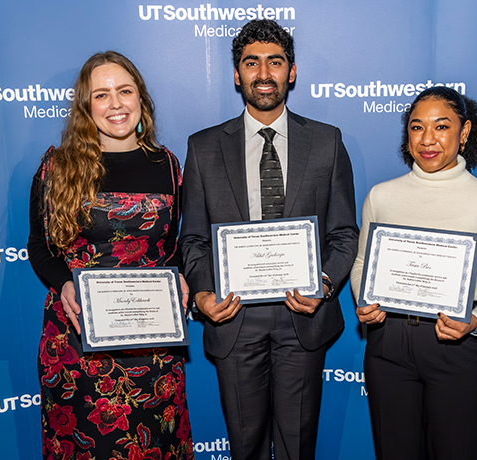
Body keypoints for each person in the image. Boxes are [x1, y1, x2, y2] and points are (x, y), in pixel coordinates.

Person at [180, 19, 359, 460]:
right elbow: (193, 239)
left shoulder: (326, 141)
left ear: (291, 72)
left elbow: (343, 233)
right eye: (251, 63)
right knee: (246, 446)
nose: (264, 73)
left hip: (303, 316)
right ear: (236, 75)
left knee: (300, 446)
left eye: (275, 62)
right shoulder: (203, 147)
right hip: (233, 316)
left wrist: (325, 283)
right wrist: (202, 294)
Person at [28, 51, 193, 460]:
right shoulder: (57, 167)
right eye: (101, 95)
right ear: (86, 106)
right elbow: (40, 246)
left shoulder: (167, 164)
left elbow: (172, 246)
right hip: (79, 340)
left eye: (125, 91)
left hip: (152, 341)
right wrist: (64, 282)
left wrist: (181, 276)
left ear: (141, 99)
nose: (116, 104)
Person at [350, 87, 477, 460]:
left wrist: (476, 319)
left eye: (441, 126)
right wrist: (363, 300)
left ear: (464, 133)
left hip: (456, 348)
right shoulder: (381, 196)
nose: (427, 139)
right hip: (387, 347)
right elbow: (363, 263)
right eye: (417, 127)